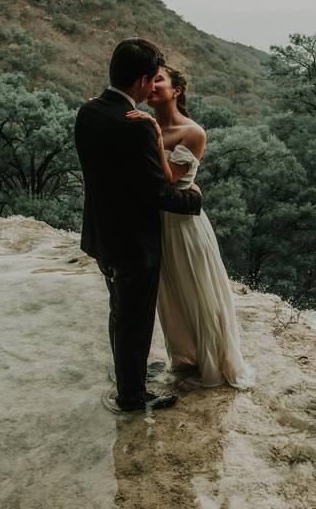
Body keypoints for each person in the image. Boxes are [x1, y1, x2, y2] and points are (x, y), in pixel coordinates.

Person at [74, 38, 203, 413]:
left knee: (120, 312)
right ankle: (131, 397)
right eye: (152, 80)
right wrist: (194, 197)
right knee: (135, 320)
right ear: (143, 80)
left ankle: (128, 374)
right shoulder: (138, 126)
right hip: (134, 242)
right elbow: (159, 195)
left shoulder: (88, 112)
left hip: (101, 234)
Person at [124, 65, 255, 389]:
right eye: (149, 78)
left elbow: (169, 178)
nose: (152, 84)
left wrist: (153, 132)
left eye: (159, 79)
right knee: (173, 297)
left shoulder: (192, 132)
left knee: (198, 293)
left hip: (184, 227)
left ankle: (213, 363)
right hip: (155, 226)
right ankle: (187, 358)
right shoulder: (141, 123)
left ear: (176, 89)